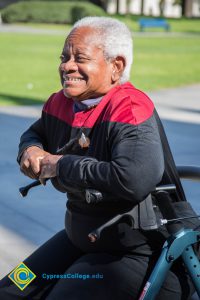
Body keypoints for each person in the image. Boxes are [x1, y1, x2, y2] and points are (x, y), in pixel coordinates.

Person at [0, 16, 195, 300]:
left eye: (80, 58)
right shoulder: (62, 102)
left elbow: (133, 178)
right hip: (82, 239)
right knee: (12, 289)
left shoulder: (130, 107)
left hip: (138, 252)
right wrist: (29, 150)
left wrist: (62, 165)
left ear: (116, 66)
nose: (67, 66)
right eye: (64, 57)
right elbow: (36, 133)